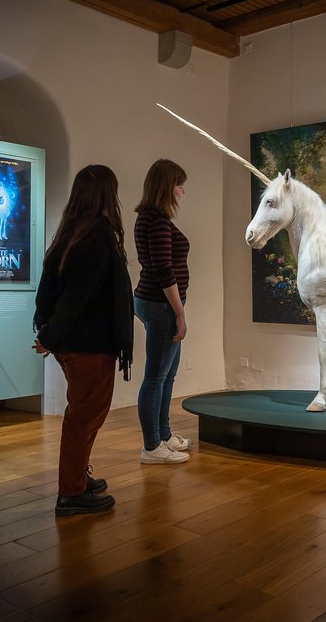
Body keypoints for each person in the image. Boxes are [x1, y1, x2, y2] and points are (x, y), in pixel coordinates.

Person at [34, 165, 134, 516]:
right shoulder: (95, 237)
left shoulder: (71, 233)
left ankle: (78, 476)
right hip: (88, 343)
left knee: (87, 413)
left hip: (77, 342)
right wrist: (49, 335)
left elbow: (50, 291)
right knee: (84, 415)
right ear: (107, 195)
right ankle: (71, 492)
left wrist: (48, 333)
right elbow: (76, 297)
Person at [133, 159, 192, 464]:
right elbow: (163, 271)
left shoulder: (154, 218)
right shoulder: (155, 220)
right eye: (179, 184)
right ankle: (151, 446)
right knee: (156, 377)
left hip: (160, 304)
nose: (182, 191)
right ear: (167, 185)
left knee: (167, 375)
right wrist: (179, 313)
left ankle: (164, 434)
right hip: (161, 306)